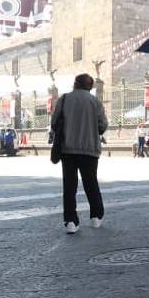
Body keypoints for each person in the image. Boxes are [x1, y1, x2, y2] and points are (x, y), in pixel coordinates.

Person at [50, 73, 109, 234]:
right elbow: (103, 126)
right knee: (91, 183)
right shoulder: (95, 102)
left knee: (69, 186)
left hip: (68, 149)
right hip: (90, 150)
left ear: (75, 84)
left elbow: (54, 123)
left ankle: (71, 221)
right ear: (90, 87)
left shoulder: (64, 99)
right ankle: (96, 217)